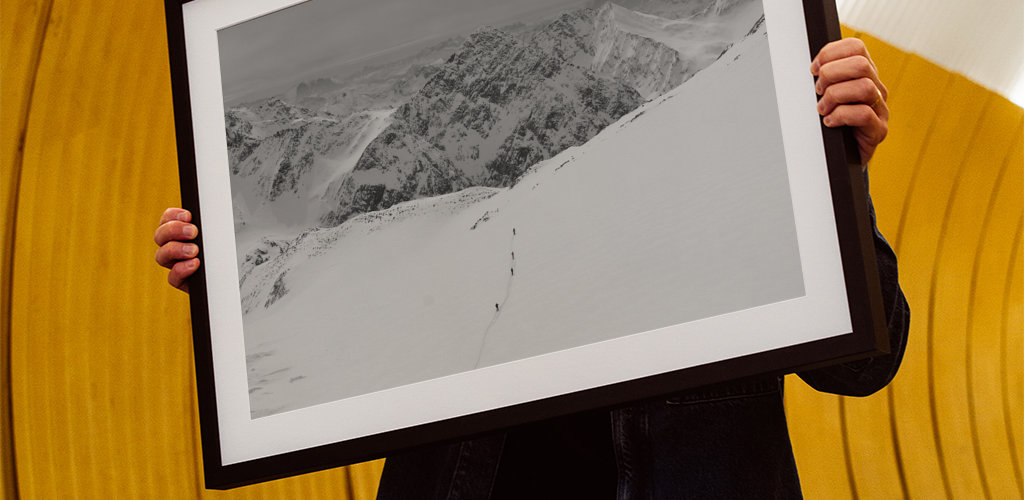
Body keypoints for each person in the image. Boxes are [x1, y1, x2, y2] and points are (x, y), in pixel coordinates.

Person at [154, 38, 908, 498]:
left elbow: (865, 364)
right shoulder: (473, 253)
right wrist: (227, 288)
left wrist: (838, 173)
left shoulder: (750, 155)